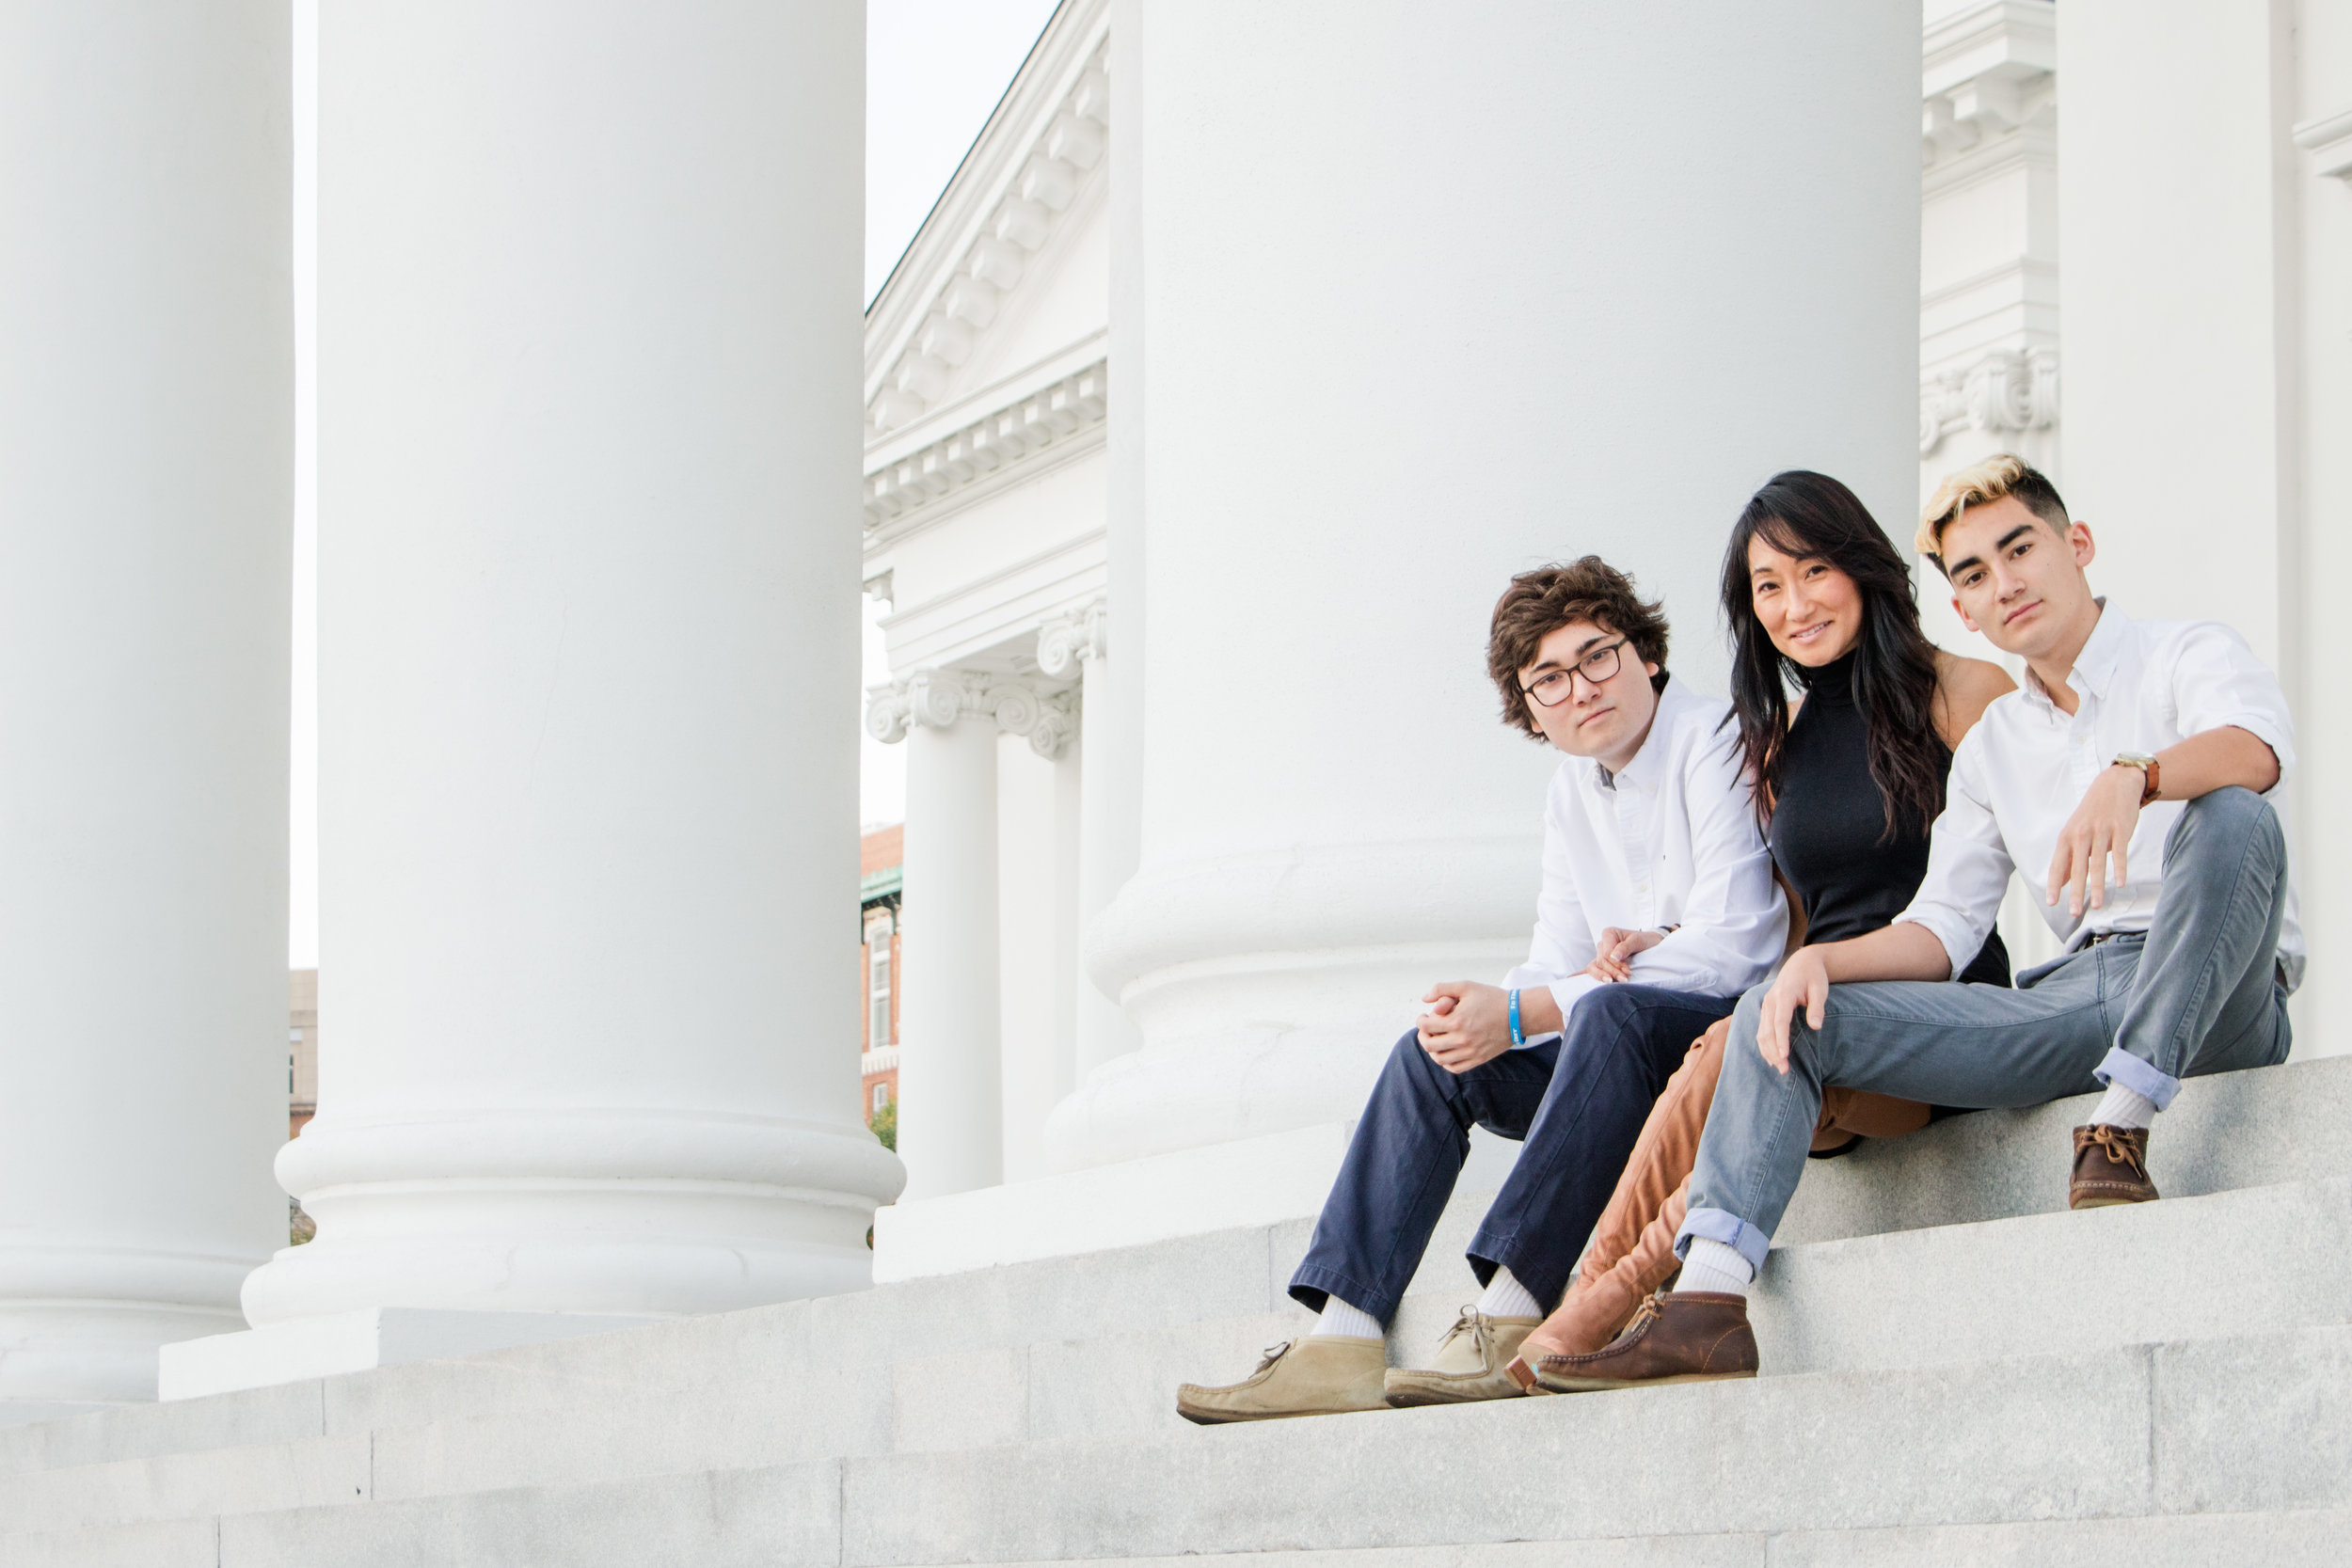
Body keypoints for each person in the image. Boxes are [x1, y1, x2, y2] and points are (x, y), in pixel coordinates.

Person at [1532, 454, 2300, 1392]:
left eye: (2019, 549)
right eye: (1972, 574)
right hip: (2072, 995)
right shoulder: (1995, 746)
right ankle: (1707, 1303)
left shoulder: (2186, 653)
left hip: (2217, 984)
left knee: (2231, 813)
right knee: (1785, 1015)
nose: (2004, 581)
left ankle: (2120, 1123)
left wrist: (2133, 772)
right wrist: (1819, 966)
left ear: (2077, 545)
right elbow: (1942, 925)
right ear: (1961, 607)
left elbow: (2255, 754)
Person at [1174, 557, 1788, 1422]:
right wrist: (1484, 1014)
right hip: (1606, 1063)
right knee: (1432, 1055)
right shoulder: (1570, 790)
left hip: (1712, 1050)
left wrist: (1535, 1008)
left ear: (1645, 653)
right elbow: (1555, 958)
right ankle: (1342, 1337)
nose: (1580, 688)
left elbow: (1735, 949)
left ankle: (1510, 1312)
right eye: (1549, 679)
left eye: (1597, 655)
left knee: (1606, 1010)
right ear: (1530, 711)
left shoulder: (1713, 735)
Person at [1502, 470, 2013, 1382]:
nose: (1791, 605)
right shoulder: (1775, 737)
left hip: (1940, 1008)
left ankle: (1581, 1310)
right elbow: (1791, 922)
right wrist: (1669, 947)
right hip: (1819, 1016)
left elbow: (1988, 888)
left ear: (1860, 567)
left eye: (1810, 571)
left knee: (1746, 1041)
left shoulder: (1961, 690)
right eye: (1765, 588)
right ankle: (1601, 1304)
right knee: (1724, 1046)